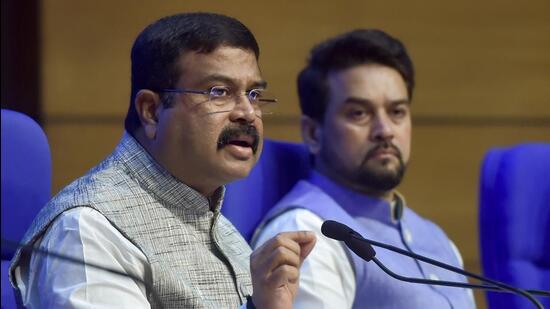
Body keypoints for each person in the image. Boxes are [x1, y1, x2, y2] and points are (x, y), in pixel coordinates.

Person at [9, 12, 315, 309]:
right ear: (151, 111)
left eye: (252, 94)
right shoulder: (88, 231)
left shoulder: (217, 223)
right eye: (219, 92)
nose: (247, 113)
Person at [253, 29, 476, 308]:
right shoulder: (309, 232)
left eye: (397, 112)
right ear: (312, 133)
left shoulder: (436, 238)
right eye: (359, 113)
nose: (385, 131)